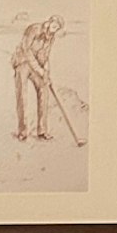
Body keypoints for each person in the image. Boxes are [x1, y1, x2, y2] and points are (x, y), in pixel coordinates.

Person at [12, 14, 80, 147]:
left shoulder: (51, 37)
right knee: (22, 96)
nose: (54, 29)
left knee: (44, 89)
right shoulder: (34, 29)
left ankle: (42, 131)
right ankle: (23, 131)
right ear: (49, 22)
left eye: (57, 28)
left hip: (37, 66)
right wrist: (40, 70)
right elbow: (26, 51)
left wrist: (46, 73)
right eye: (54, 26)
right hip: (22, 62)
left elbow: (45, 56)